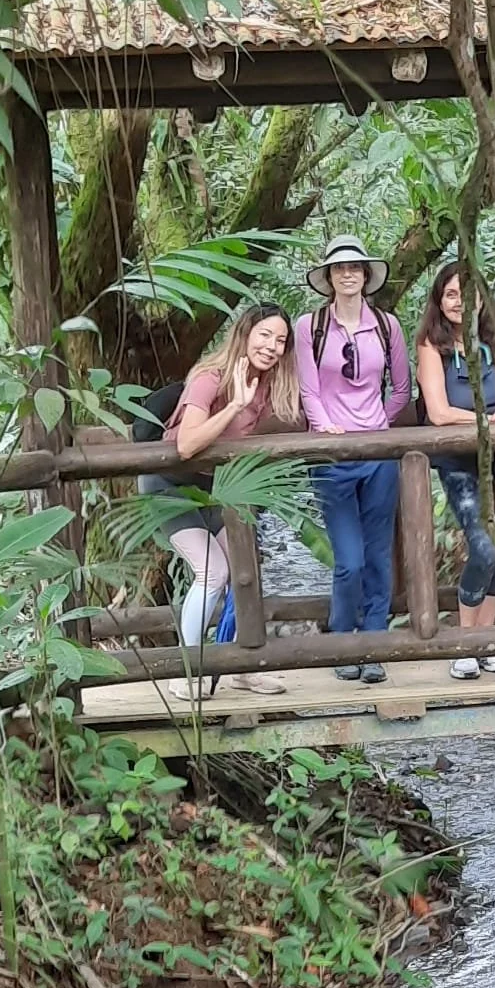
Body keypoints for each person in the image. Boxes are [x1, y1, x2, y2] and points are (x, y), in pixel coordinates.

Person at [139, 303, 303, 694]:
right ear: (244, 334)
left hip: (218, 489)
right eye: (264, 335)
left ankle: (241, 666)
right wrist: (234, 404)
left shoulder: (268, 385)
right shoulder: (210, 378)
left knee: (245, 573)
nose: (271, 346)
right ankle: (189, 672)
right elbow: (187, 443)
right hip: (171, 486)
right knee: (212, 573)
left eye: (280, 340)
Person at [294, 235, 411, 684]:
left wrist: (379, 423)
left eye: (356, 268)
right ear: (328, 277)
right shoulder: (310, 327)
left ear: (366, 276)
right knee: (349, 559)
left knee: (379, 555)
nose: (348, 275)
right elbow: (309, 389)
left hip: (377, 453)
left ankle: (374, 645)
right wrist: (327, 430)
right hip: (330, 454)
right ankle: (344, 641)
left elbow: (401, 387)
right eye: (339, 269)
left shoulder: (387, 326)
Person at [416, 261, 495, 684]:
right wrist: (484, 419)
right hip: (458, 463)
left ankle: (484, 643)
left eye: (468, 293)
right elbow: (438, 412)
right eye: (452, 294)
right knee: (485, 547)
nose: (460, 302)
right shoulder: (430, 345)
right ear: (440, 300)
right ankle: (464, 641)